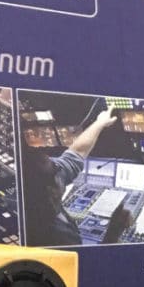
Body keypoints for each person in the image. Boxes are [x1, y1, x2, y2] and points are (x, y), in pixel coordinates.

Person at [21, 105, 128, 246]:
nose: (60, 168)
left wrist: (100, 122)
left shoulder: (39, 184)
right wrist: (114, 232)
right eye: (55, 168)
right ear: (51, 190)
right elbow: (88, 260)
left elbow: (76, 152)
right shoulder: (55, 237)